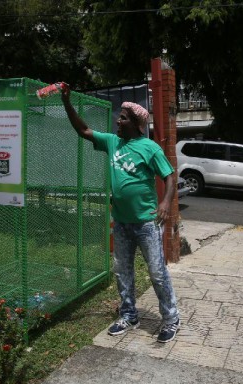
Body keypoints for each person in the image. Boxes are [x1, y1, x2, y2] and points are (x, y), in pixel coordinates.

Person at [61, 84, 180, 343]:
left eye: (123, 118)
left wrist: (165, 203)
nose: (118, 120)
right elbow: (83, 130)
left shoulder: (149, 147)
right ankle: (128, 314)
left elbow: (170, 176)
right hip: (122, 222)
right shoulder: (113, 142)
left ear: (136, 123)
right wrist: (67, 103)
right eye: (119, 116)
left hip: (147, 222)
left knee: (157, 272)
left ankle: (171, 318)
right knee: (122, 271)